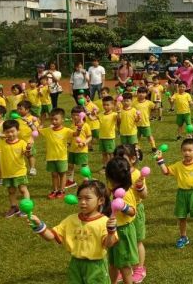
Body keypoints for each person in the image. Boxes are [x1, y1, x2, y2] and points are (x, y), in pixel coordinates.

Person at [27, 180, 116, 284]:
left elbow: (109, 244)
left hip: (96, 266)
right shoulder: (71, 220)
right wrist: (39, 225)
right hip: (75, 264)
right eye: (80, 198)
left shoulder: (104, 222)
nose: (82, 202)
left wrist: (111, 232)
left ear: (100, 200)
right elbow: (50, 236)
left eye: (87, 198)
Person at [155, 138, 193, 249]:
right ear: (181, 151)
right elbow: (166, 171)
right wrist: (160, 159)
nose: (187, 153)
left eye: (190, 150)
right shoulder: (178, 165)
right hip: (181, 194)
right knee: (181, 218)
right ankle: (183, 237)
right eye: (184, 150)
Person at [104, 156, 138, 284]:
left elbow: (133, 212)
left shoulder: (126, 193)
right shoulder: (112, 188)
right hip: (113, 230)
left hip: (124, 232)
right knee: (112, 262)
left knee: (124, 265)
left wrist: (123, 206)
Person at [0, 119, 32, 218]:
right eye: (7, 132)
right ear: (4, 132)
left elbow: (27, 154)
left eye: (13, 131)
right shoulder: (1, 144)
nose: (10, 134)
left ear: (18, 131)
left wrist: (28, 149)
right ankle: (14, 207)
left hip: (19, 171)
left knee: (23, 189)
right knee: (11, 191)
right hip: (7, 172)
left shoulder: (22, 143)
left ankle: (27, 208)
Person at [41, 108, 74, 199]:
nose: (54, 121)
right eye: (52, 119)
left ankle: (62, 190)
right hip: (51, 157)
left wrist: (79, 128)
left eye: (56, 119)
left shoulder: (66, 130)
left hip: (61, 157)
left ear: (62, 120)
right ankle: (55, 190)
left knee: (62, 174)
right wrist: (31, 123)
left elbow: (75, 134)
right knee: (54, 174)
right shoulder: (48, 130)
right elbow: (38, 130)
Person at [65, 105, 92, 189]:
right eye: (73, 115)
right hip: (72, 150)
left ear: (82, 115)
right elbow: (70, 136)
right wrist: (68, 143)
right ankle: (70, 181)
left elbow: (90, 137)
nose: (74, 117)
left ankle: (87, 180)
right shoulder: (72, 125)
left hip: (82, 150)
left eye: (77, 115)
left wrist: (84, 143)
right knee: (70, 165)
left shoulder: (85, 125)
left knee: (84, 165)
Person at [98, 96, 118, 172]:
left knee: (111, 153)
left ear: (112, 105)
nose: (105, 106)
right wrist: (88, 113)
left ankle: (113, 167)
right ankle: (105, 166)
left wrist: (119, 111)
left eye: (107, 105)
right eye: (104, 105)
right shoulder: (101, 114)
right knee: (104, 153)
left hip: (109, 137)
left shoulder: (114, 114)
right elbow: (93, 118)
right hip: (102, 136)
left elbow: (119, 119)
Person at [133, 87, 156, 152]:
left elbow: (155, 107)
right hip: (136, 124)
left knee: (149, 136)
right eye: (139, 92)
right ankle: (138, 148)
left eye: (143, 93)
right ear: (137, 93)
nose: (141, 94)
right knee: (137, 137)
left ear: (146, 94)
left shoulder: (149, 102)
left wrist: (157, 100)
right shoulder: (134, 103)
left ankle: (153, 147)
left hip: (145, 123)